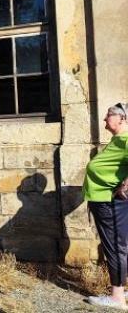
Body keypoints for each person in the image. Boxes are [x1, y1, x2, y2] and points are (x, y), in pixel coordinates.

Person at [84, 102, 128, 310]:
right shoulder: (117, 141)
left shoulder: (126, 139)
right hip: (102, 199)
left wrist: (126, 185)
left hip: (109, 201)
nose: (104, 119)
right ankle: (121, 290)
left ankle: (117, 298)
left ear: (123, 118)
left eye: (109, 115)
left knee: (114, 247)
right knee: (118, 246)